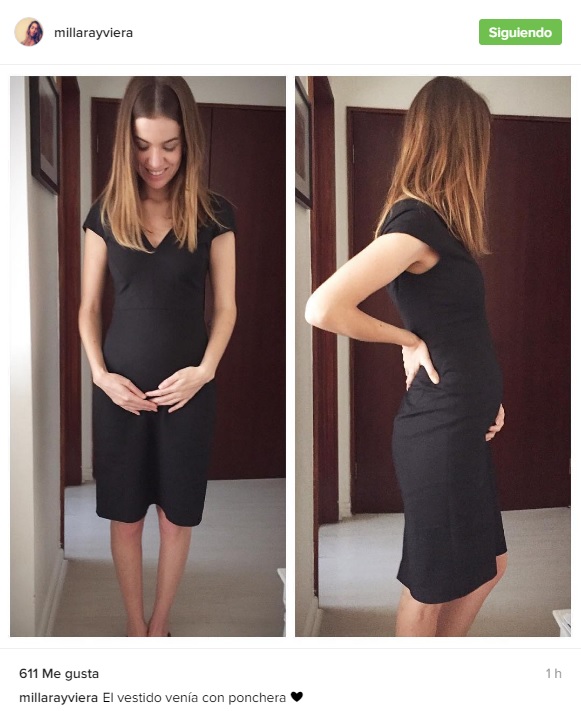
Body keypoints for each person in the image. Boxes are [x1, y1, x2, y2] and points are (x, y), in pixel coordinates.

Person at [306, 76, 506, 637]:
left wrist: (485, 399)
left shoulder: (440, 227)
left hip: (460, 420)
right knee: (430, 586)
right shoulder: (415, 223)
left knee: (488, 567)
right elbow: (322, 307)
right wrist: (406, 340)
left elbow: (460, 328)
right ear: (458, 143)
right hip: (439, 427)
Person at [79, 77, 236, 637]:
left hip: (187, 393)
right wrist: (100, 376)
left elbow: (226, 309)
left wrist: (205, 372)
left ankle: (160, 625)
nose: (155, 160)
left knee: (175, 519)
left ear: (187, 142)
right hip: (119, 394)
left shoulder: (215, 214)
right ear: (128, 143)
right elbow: (87, 309)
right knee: (125, 520)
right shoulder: (104, 214)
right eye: (143, 146)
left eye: (169, 146)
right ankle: (134, 627)